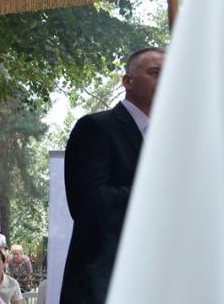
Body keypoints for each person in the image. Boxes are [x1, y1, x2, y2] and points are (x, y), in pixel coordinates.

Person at [61, 47, 165, 304]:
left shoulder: (170, 139)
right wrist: (161, 192)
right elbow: (89, 203)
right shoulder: (96, 128)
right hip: (102, 284)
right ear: (127, 80)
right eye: (155, 72)